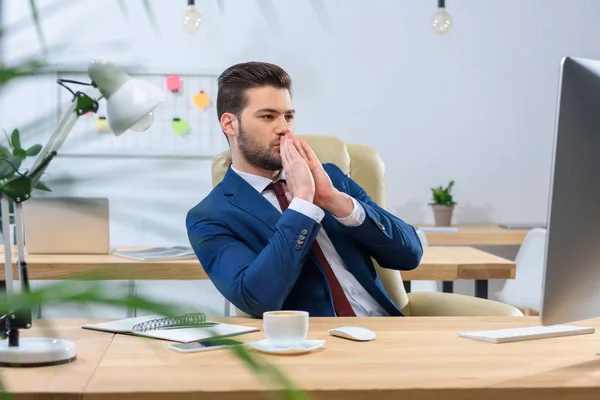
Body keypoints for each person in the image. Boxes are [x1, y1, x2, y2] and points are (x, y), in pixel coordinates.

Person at [186, 61, 423, 318]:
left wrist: (333, 199)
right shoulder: (209, 217)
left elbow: (410, 255)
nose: (284, 128)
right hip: (314, 345)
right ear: (230, 124)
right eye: (268, 116)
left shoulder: (332, 178)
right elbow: (257, 298)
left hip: (387, 333)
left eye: (288, 116)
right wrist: (302, 206)